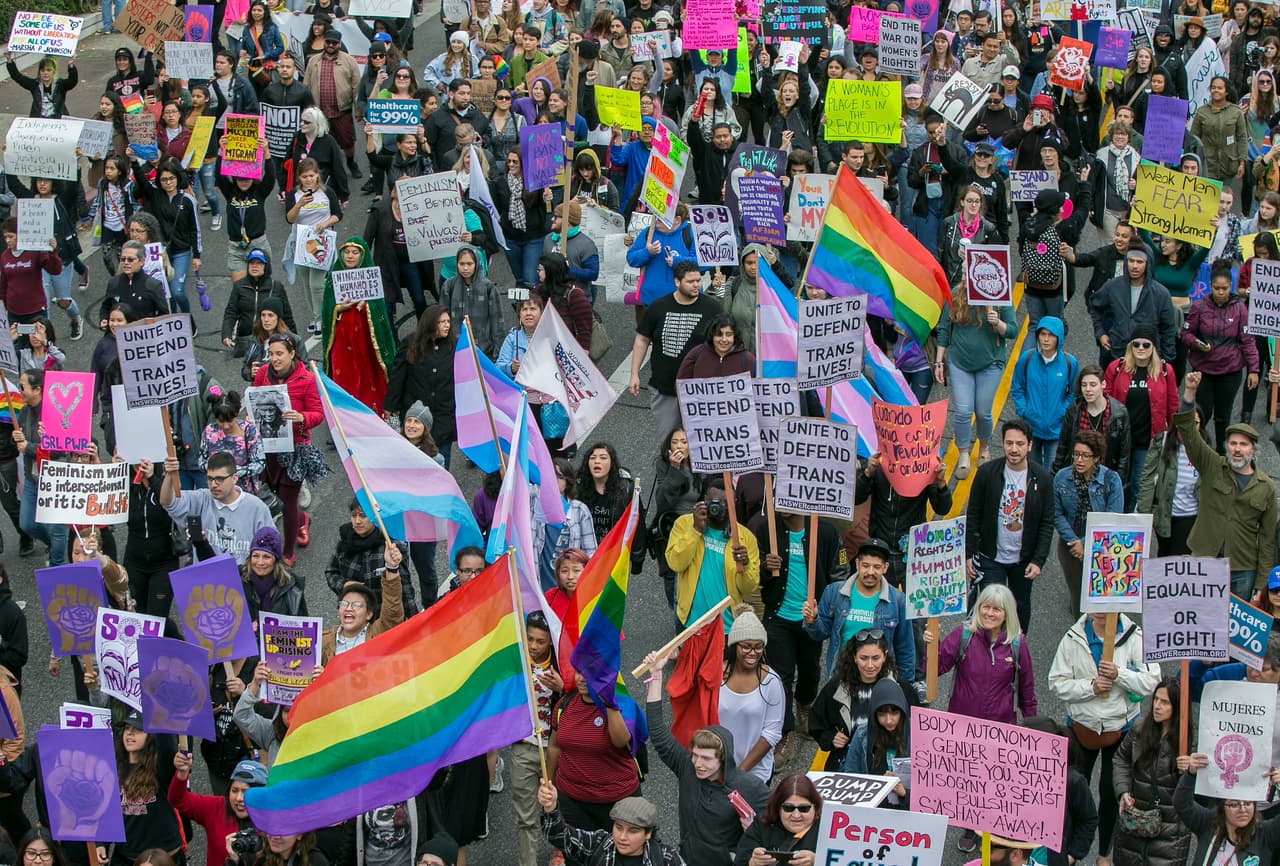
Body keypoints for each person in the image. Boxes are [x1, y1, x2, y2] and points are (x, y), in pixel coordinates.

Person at [1049, 611, 1161, 866]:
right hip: (1081, 729)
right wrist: (1091, 687)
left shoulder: (1135, 637)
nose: (1099, 610)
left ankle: (1103, 855)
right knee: (1074, 792)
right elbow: (1056, 683)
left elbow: (1153, 682)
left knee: (1112, 794)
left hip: (1119, 730)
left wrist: (1119, 674)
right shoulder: (1072, 637)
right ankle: (1070, 852)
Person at [644, 651, 770, 866]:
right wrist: (655, 675)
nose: (698, 764)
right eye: (695, 756)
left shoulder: (749, 786)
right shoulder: (687, 767)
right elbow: (658, 732)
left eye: (706, 759)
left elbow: (782, 817)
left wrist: (756, 832)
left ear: (723, 759)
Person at [1175, 371, 1277, 598]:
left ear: (1253, 450)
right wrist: (1190, 392)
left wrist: (1262, 584)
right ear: (1227, 446)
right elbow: (1189, 433)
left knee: (1234, 631)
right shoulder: (1212, 465)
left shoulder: (1267, 487)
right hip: (1204, 560)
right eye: (1233, 443)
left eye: (1244, 444)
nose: (1238, 449)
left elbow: (1268, 539)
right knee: (1199, 622)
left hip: (1242, 568)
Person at [965, 419, 1054, 632]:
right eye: (1009, 443)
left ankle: (1015, 655)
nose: (1014, 449)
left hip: (1023, 560)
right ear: (1003, 444)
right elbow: (973, 514)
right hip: (990, 556)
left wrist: (1038, 560)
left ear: (1030, 445)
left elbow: (1047, 522)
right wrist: (969, 553)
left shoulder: (1042, 479)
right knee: (987, 609)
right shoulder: (987, 473)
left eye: (1020, 444)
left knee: (1019, 609)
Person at [251, 334, 328, 565]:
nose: (274, 359)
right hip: (267, 447)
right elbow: (255, 397)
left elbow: (318, 414)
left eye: (279, 354)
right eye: (271, 354)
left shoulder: (306, 379)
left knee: (287, 500)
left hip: (295, 449)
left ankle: (287, 551)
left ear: (292, 353)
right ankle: (302, 519)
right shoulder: (263, 374)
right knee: (273, 492)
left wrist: (301, 417)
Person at [628, 260, 721, 443]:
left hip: (699, 390)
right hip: (665, 389)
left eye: (698, 280)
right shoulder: (659, 307)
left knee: (698, 443)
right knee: (668, 442)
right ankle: (667, 472)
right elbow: (642, 338)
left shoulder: (712, 308)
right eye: (690, 281)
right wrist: (634, 374)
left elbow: (723, 343)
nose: (696, 285)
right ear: (677, 282)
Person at [935, 280, 1018, 479]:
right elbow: (945, 328)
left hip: (990, 364)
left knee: (983, 412)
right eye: (965, 271)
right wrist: (939, 360)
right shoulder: (955, 292)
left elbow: (1013, 330)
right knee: (963, 411)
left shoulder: (999, 294)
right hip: (960, 362)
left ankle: (984, 447)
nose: (967, 276)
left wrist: (997, 323)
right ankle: (963, 453)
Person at [803, 537, 914, 683]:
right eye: (866, 565)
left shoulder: (898, 600)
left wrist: (905, 688)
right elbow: (819, 634)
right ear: (857, 564)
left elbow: (905, 649)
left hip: (880, 681)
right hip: (841, 678)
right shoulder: (835, 592)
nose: (870, 572)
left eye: (877, 567)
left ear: (885, 567)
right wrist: (814, 619)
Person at [1111, 678, 1193, 866]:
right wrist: (1123, 791)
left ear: (1178, 707)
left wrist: (1191, 772)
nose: (1157, 706)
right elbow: (1121, 759)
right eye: (1156, 699)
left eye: (1165, 702)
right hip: (1134, 821)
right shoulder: (1139, 728)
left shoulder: (1189, 741)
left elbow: (1202, 791)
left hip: (1170, 832)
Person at [665, 475, 760, 633]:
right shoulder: (684, 524)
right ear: (704, 501)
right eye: (714, 503)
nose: (719, 508)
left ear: (734, 503)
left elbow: (748, 588)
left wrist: (746, 564)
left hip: (726, 629)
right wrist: (695, 530)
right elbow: (676, 563)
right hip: (690, 624)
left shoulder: (745, 538)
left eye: (725, 503)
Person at [1183, 261, 1259, 453]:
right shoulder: (1199, 307)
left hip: (1230, 371)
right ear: (1210, 286)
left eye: (1224, 288)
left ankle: (1221, 454)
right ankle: (1197, 452)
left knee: (1223, 416)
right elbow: (1186, 334)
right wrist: (1197, 344)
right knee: (1202, 414)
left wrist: (1254, 370)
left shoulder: (1240, 309)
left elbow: (1247, 340)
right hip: (1204, 370)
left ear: (1230, 288)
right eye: (1216, 288)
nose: (1221, 292)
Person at [807, 630, 908, 771]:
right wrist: (830, 738)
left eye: (875, 658)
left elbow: (916, 727)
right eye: (864, 658)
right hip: (847, 761)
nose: (870, 665)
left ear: (885, 656)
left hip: (888, 763)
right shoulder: (837, 687)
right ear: (854, 657)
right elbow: (815, 721)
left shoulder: (899, 687)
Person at [1053, 430, 1125, 618]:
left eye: (1085, 455)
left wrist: (1085, 543)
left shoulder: (1111, 480)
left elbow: (1113, 517)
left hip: (1103, 546)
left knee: (1101, 601)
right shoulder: (1062, 477)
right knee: (1078, 599)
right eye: (1076, 454)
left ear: (1096, 458)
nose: (1079, 460)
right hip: (1070, 546)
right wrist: (1074, 542)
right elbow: (1056, 513)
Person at [1104, 327, 1178, 510]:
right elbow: (1105, 402)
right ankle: (1113, 521)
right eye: (1136, 344)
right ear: (1130, 346)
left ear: (1153, 347)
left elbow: (1172, 405)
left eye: (1146, 344)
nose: (1141, 348)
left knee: (1138, 485)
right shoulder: (1116, 368)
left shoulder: (1165, 371)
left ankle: (1130, 524)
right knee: (1115, 484)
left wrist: (1173, 437)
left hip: (1148, 441)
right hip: (1120, 439)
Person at [321, 237, 396, 414]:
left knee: (369, 373)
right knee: (345, 375)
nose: (350, 256)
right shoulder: (334, 277)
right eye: (347, 252)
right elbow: (326, 309)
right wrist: (339, 308)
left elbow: (379, 311)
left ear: (362, 255)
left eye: (355, 252)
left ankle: (374, 413)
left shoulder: (370, 277)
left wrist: (367, 305)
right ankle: (345, 416)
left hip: (367, 338)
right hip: (342, 337)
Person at [157, 450, 272, 564]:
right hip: (208, 579)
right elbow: (167, 502)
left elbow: (270, 547)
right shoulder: (201, 498)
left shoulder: (257, 508)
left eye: (219, 479)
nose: (213, 485)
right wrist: (169, 475)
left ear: (234, 478)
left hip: (243, 578)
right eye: (210, 479)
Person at [513, 612, 562, 866]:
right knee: (526, 818)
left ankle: (560, 851)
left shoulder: (561, 665)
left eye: (540, 641)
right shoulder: (517, 664)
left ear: (550, 642)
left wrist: (562, 689)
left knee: (557, 807)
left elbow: (579, 704)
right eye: (529, 639)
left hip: (555, 750)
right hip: (523, 749)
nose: (533, 646)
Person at [537, 785, 683, 866]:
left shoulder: (666, 859)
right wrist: (551, 807)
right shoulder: (599, 844)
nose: (622, 837)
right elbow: (562, 837)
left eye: (632, 831)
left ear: (648, 833)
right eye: (619, 828)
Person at [718, 606, 785, 783]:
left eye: (758, 647)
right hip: (716, 771)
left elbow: (772, 733)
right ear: (734, 646)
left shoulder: (771, 681)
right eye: (746, 647)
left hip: (755, 776)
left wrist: (740, 772)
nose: (753, 653)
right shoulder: (715, 676)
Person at [1175, 755, 1280, 866]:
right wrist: (1190, 774)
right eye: (1234, 805)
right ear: (1222, 808)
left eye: (1248, 803)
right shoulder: (1207, 823)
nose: (1243, 809)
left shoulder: (1265, 833)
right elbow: (1182, 803)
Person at [386, 306, 457, 469]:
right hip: (415, 417)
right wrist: (390, 406)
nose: (447, 325)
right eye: (441, 322)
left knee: (442, 465)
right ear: (430, 323)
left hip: (443, 416)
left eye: (448, 322)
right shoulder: (410, 343)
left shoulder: (455, 345)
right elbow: (397, 377)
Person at [325, 497, 419, 617]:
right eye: (354, 516)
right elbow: (331, 571)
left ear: (375, 517)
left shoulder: (391, 546)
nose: (357, 521)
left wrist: (415, 621)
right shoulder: (345, 541)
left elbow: (404, 589)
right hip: (354, 618)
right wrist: (344, 585)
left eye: (363, 516)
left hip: (384, 618)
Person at [11, 370, 67, 565]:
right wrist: (17, 439)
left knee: (57, 528)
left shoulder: (55, 412)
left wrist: (29, 447)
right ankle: (54, 545)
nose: (20, 391)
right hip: (32, 478)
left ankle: (57, 563)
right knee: (26, 523)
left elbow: (61, 450)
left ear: (37, 389)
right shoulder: (25, 410)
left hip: (54, 480)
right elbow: (23, 442)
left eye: (22, 387)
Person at [1089, 247, 1177, 368]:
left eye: (1139, 262)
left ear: (1148, 264)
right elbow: (1095, 306)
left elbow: (1168, 329)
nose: (1134, 266)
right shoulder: (1113, 286)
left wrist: (1166, 362)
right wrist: (1100, 333)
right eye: (1131, 261)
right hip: (1117, 354)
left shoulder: (1161, 293)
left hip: (1148, 359)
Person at [170, 756, 265, 866]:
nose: (239, 798)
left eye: (246, 792)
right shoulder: (216, 807)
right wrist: (182, 772)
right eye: (234, 790)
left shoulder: (274, 817)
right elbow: (177, 799)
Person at [1010, 317, 1078, 469]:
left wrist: (1062, 412)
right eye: (1043, 334)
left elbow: (1074, 393)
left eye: (1051, 335)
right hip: (1031, 427)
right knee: (1032, 471)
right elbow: (1017, 387)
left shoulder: (1069, 362)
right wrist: (1024, 410)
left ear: (1059, 338)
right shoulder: (1026, 358)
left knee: (1050, 473)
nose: (1046, 339)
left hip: (1056, 428)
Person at [321, 542, 406, 662]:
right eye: (344, 604)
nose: (349, 608)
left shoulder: (379, 633)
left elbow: (393, 609)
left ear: (369, 614)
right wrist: (320, 675)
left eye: (356, 605)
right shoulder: (322, 641)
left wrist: (391, 568)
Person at [839, 678, 911, 807]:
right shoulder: (862, 734)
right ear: (873, 713)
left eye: (894, 712)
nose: (889, 720)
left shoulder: (918, 737)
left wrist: (904, 793)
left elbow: (928, 792)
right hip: (872, 810)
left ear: (903, 711)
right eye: (882, 714)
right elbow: (850, 776)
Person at [303, 29, 363, 180]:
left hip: (341, 110)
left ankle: (351, 163)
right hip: (319, 111)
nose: (330, 45)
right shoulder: (313, 61)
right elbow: (306, 85)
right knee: (320, 141)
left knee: (347, 141)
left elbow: (357, 86)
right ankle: (325, 169)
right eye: (328, 42)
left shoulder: (349, 61)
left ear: (339, 44)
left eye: (334, 43)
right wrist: (306, 110)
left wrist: (358, 109)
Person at [735, 774, 822, 865]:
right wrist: (751, 863)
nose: (796, 815)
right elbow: (739, 862)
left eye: (804, 808)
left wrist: (819, 861)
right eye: (788, 808)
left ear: (815, 807)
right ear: (778, 807)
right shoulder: (762, 825)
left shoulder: (828, 830)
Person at [221, 250, 296, 355]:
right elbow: (231, 312)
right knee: (248, 370)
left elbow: (287, 315)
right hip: (245, 341)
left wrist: (294, 340)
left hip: (271, 340)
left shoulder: (276, 287)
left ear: (266, 266)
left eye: (259, 263)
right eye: (252, 263)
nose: (254, 266)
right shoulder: (239, 286)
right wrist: (226, 334)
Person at [199, 391, 265, 495]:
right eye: (220, 421)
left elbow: (260, 464)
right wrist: (218, 472)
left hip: (244, 493)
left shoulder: (249, 431)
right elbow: (201, 461)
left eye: (230, 420)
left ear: (237, 413)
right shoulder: (209, 431)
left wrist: (234, 472)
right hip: (217, 492)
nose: (225, 426)